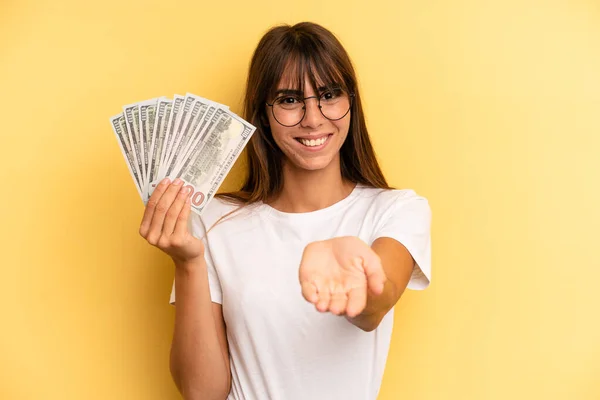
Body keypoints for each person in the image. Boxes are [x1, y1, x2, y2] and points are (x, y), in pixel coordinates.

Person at [139, 21, 432, 400]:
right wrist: (188, 263)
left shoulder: (396, 210)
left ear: (351, 103)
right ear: (263, 114)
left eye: (329, 94)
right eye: (290, 100)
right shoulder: (213, 220)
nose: (313, 118)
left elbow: (375, 307)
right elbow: (203, 393)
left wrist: (356, 281)